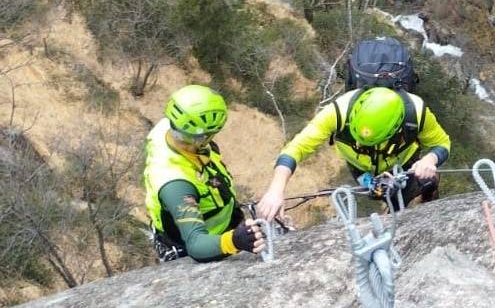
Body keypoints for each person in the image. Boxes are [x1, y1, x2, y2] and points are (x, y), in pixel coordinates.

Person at [257, 86, 451, 220]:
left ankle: (426, 190)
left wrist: (430, 159)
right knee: (379, 194)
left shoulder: (416, 112)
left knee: (405, 194)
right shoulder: (338, 112)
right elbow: (295, 148)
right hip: (360, 167)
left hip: (404, 162)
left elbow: (442, 143)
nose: (361, 144)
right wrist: (276, 190)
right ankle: (391, 205)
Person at [143, 85, 264, 262]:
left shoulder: (170, 128)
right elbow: (197, 245)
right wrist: (234, 241)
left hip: (224, 224)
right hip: (201, 246)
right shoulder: (176, 184)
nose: (180, 139)